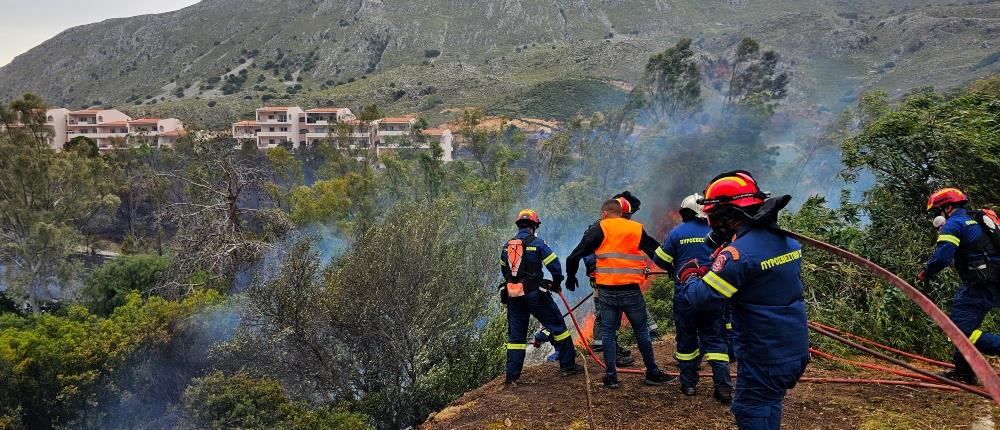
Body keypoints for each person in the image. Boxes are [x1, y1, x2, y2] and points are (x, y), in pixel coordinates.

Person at [677, 171, 809, 430]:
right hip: (793, 349)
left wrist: (691, 276)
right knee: (770, 403)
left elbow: (701, 300)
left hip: (764, 355)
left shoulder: (737, 255)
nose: (711, 223)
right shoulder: (786, 241)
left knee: (751, 411)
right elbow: (760, 281)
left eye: (713, 216)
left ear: (728, 216)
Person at [566, 198, 675, 388]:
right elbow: (657, 252)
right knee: (641, 331)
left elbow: (574, 256)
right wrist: (672, 268)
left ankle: (611, 377)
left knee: (608, 333)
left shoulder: (599, 228)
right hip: (631, 291)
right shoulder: (636, 229)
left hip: (607, 292)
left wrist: (570, 276)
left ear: (605, 213)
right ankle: (652, 373)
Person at [653, 193, 733, 403]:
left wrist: (675, 266)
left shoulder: (678, 232)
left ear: (685, 212)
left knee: (687, 340)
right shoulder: (717, 232)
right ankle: (723, 387)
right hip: (714, 292)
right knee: (716, 340)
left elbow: (660, 260)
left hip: (685, 295)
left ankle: (688, 385)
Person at [918, 188, 1000, 384]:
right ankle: (963, 373)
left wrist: (925, 272)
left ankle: (965, 374)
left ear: (947, 207)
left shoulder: (954, 224)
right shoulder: (977, 219)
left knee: (960, 330)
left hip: (981, 284)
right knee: (963, 327)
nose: (937, 217)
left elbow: (943, 257)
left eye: (937, 212)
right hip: (994, 280)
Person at [500, 209, 584, 386]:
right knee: (558, 326)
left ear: (519, 226)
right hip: (535, 295)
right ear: (533, 226)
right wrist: (556, 283)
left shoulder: (506, 246)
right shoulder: (538, 243)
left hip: (514, 296)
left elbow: (505, 272)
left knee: (516, 338)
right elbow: (554, 265)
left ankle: (512, 378)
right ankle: (568, 366)